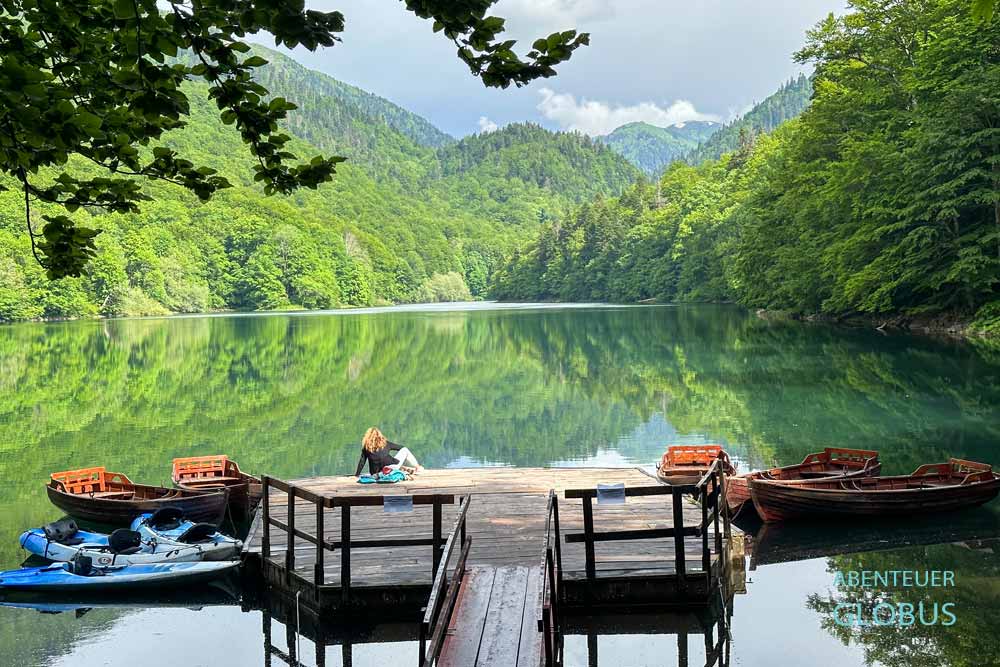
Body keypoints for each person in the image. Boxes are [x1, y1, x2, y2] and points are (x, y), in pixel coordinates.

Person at [354, 427, 422, 477]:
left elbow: (362, 462)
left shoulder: (366, 447)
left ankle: (400, 468)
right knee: (405, 450)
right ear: (380, 435)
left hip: (375, 473)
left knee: (387, 463)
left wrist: (357, 474)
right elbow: (401, 448)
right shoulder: (385, 443)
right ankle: (417, 467)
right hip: (391, 467)